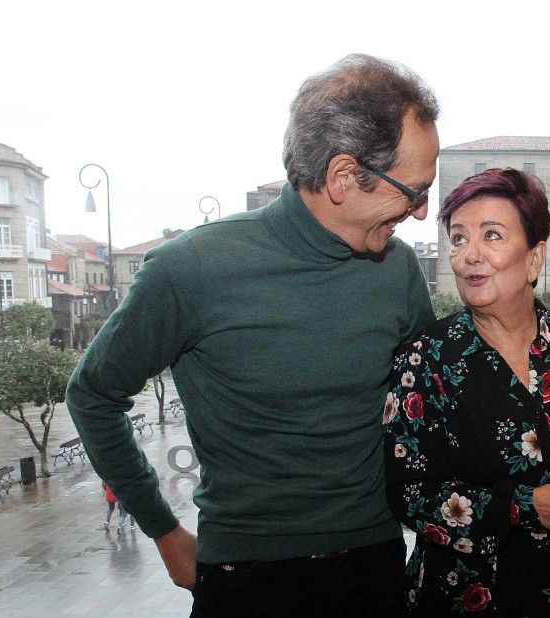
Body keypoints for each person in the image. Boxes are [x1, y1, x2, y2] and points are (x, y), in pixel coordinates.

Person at [65, 53, 440, 617]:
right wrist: (164, 531)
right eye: (412, 191)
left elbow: (433, 411)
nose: (420, 212)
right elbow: (93, 396)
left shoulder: (399, 272)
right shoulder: (189, 270)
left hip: (375, 570)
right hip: (245, 583)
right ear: (343, 177)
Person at [384, 168, 550, 615]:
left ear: (534, 259)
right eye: (459, 239)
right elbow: (408, 494)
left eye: (491, 235)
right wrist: (525, 506)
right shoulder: (424, 359)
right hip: (465, 596)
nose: (470, 256)